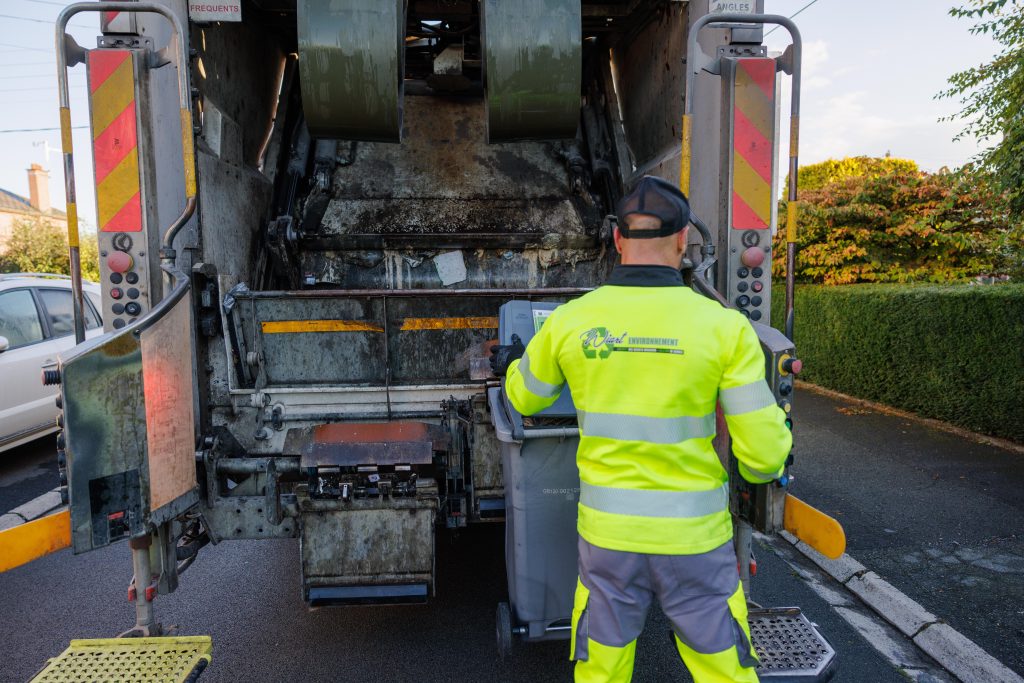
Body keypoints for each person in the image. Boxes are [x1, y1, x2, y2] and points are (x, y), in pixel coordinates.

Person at [490, 176, 792, 682]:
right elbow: (763, 456)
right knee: (725, 671)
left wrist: (519, 364)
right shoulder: (724, 327)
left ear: (616, 240)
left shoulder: (570, 321)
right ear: (681, 241)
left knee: (602, 670)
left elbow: (522, 398)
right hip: (695, 542)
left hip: (609, 540)